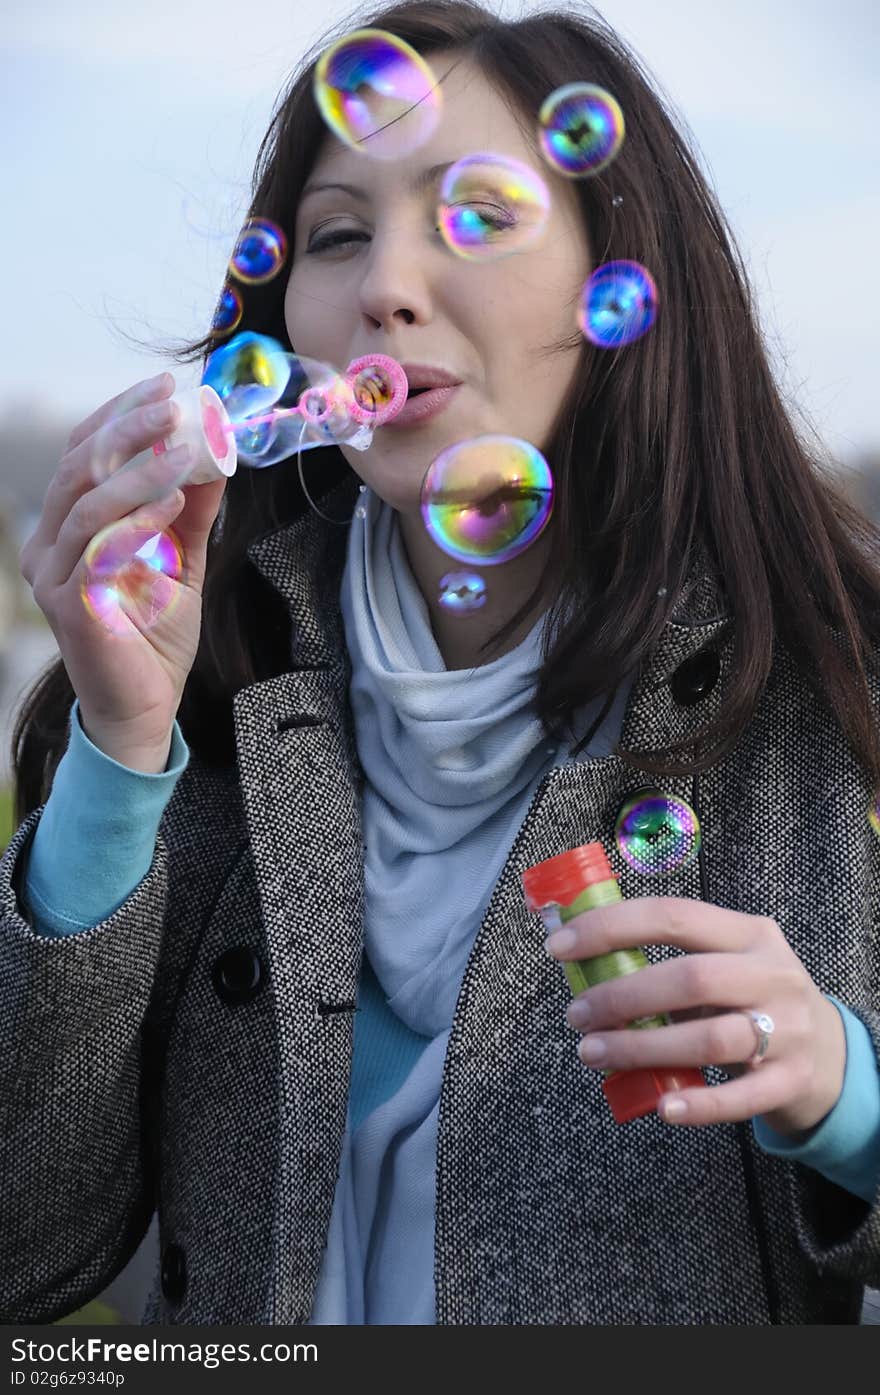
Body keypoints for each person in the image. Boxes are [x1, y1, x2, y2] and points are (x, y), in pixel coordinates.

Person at [2, 0, 880, 1327]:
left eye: (472, 218)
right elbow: (27, 1248)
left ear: (619, 286)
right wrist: (118, 755)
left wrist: (844, 1098)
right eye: (338, 234)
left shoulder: (830, 697)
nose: (383, 288)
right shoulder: (206, 692)